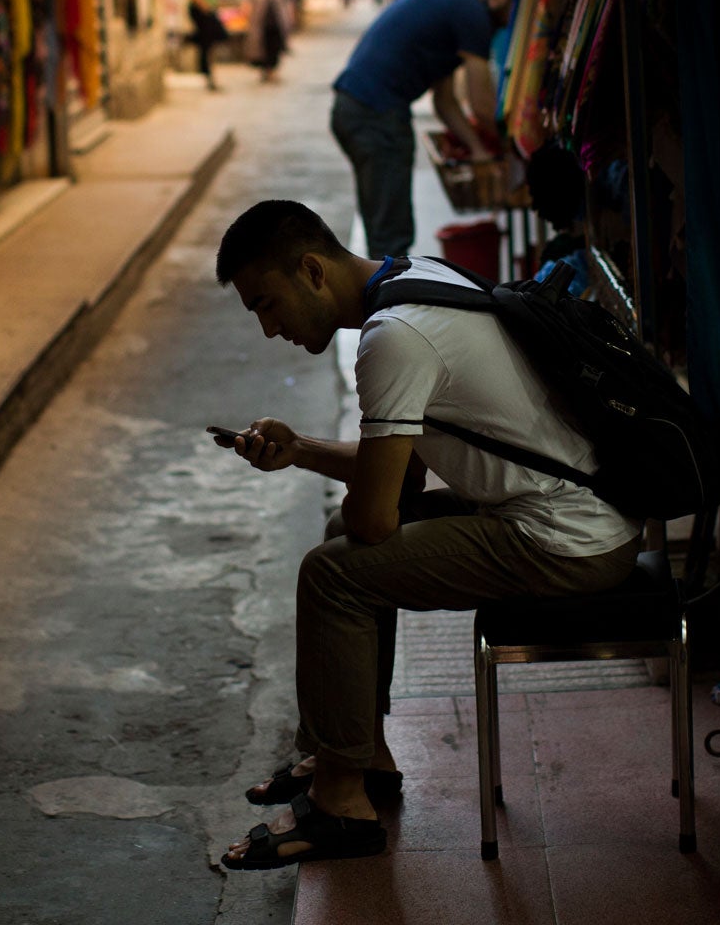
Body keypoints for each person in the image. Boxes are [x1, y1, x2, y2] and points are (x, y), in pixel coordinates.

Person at [209, 201, 639, 869]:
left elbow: (379, 515)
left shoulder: (393, 339)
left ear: (311, 271)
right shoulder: (417, 278)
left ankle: (341, 804)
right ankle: (359, 755)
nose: (270, 329)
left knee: (332, 574)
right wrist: (299, 450)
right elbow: (400, 476)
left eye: (268, 304)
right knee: (336, 535)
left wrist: (365, 501)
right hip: (583, 511)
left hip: (566, 540)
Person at [330, 0, 517, 258]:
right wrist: (510, 148)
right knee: (391, 235)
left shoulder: (453, 2)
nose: (508, 26)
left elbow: (445, 102)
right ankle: (387, 298)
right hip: (375, 114)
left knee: (382, 223)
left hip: (352, 108)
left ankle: (379, 293)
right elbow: (482, 105)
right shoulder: (473, 13)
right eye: (512, 15)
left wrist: (477, 147)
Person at [184, 0, 227, 90]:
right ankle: (208, 74)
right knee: (208, 40)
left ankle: (190, 39)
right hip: (201, 8)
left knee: (211, 39)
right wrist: (204, 6)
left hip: (209, 7)